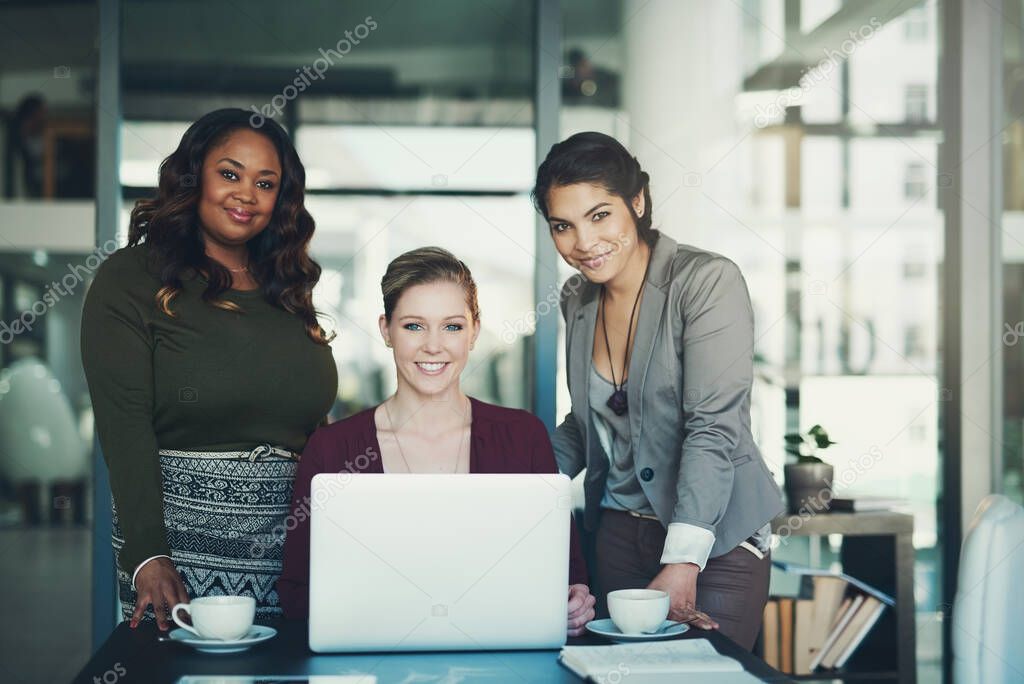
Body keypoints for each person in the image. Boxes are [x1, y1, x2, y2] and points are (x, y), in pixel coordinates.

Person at [81, 108, 338, 629]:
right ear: (193, 176)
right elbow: (124, 424)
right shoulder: (131, 277)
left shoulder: (285, 286)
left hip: (295, 549)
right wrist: (148, 556)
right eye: (229, 173)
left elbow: (313, 425)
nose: (246, 194)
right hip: (180, 555)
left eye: (266, 183)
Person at [532, 132, 785, 650]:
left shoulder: (706, 282)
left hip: (714, 540)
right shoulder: (577, 297)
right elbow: (587, 426)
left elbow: (713, 428)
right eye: (563, 225)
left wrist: (682, 560)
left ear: (638, 202)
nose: (583, 242)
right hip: (619, 533)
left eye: (600, 215)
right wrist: (512, 487)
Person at [278, 247, 596, 636]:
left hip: (498, 662)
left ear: (474, 332)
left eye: (452, 326)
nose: (433, 346)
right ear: (385, 330)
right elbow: (296, 593)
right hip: (373, 664)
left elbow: (566, 575)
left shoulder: (522, 437)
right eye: (413, 326)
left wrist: (574, 603)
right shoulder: (331, 449)